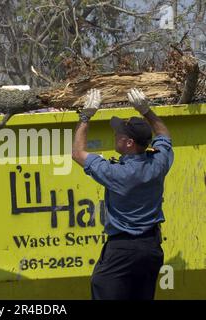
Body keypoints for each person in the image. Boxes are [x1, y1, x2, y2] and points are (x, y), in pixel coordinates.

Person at [72, 88, 174, 300]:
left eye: (119, 133)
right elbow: (164, 135)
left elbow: (77, 153)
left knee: (101, 288)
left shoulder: (116, 173)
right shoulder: (159, 162)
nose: (115, 134)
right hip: (151, 248)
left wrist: (86, 116)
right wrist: (147, 111)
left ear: (129, 143)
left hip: (122, 251)